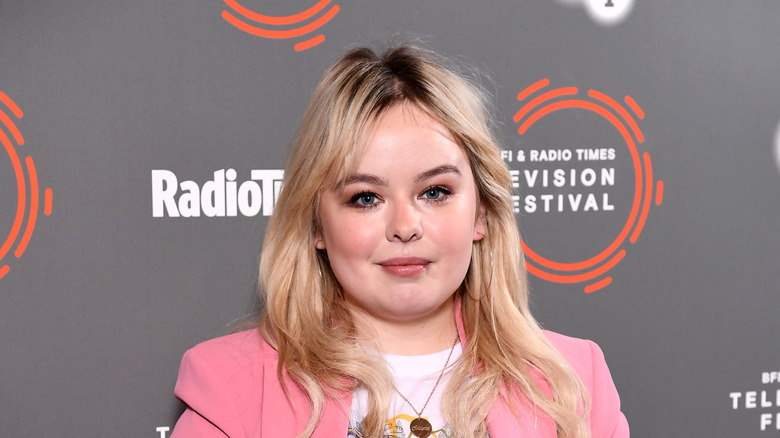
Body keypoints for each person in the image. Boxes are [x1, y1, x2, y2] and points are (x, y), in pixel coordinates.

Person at [170, 44, 629, 438]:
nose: (405, 226)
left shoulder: (573, 382)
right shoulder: (229, 389)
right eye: (366, 197)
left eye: (435, 192)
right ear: (316, 225)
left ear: (482, 213)